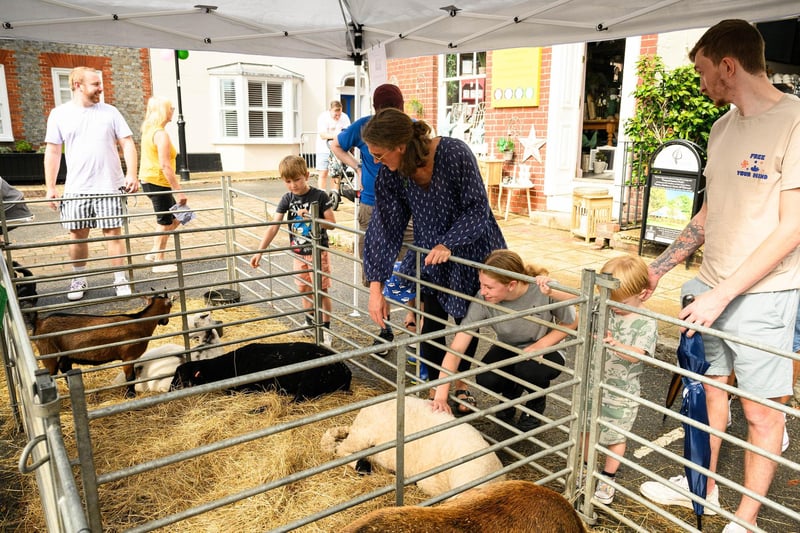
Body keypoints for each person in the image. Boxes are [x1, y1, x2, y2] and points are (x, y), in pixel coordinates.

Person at [637, 20, 800, 533]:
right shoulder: (722, 128)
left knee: (762, 415)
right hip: (711, 286)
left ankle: (744, 520)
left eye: (705, 73)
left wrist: (724, 294)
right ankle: (700, 485)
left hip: (765, 295)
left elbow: (793, 228)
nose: (702, 85)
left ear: (729, 65)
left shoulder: (795, 122)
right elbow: (710, 214)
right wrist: (658, 270)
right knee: (709, 398)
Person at [361, 107, 507, 414]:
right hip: (432, 254)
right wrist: (376, 287)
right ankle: (435, 393)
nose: (377, 161)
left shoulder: (454, 153)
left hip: (471, 243)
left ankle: (463, 387)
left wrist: (449, 243)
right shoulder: (392, 174)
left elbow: (477, 208)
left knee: (468, 321)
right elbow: (385, 228)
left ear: (400, 146)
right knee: (431, 318)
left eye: (379, 154)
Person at [430, 250, 577, 431]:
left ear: (511, 284)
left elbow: (573, 321)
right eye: (481, 285)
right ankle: (511, 392)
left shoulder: (543, 289)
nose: (483, 292)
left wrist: (540, 345)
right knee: (487, 378)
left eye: (489, 287)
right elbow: (457, 347)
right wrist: (441, 395)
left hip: (547, 348)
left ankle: (535, 402)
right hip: (509, 346)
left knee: (529, 371)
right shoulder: (483, 298)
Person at [330, 83, 415, 354]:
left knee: (411, 262)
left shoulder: (410, 128)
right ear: (376, 109)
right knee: (377, 265)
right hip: (371, 203)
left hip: (407, 207)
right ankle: (385, 327)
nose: (378, 159)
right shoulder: (364, 125)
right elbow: (336, 144)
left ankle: (413, 320)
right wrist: (355, 166)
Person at [44, 66, 139, 300]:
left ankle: (120, 278)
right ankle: (78, 278)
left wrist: (132, 174)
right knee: (77, 235)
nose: (101, 87)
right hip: (77, 187)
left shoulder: (111, 112)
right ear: (78, 85)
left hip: (109, 184)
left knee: (113, 234)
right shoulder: (59, 114)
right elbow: (53, 151)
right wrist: (51, 186)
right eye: (95, 84)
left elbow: (127, 144)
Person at [571, 255, 657, 505]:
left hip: (621, 392)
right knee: (587, 429)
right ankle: (587, 470)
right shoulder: (603, 304)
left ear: (642, 294)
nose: (614, 306)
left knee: (615, 437)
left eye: (622, 301)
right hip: (590, 384)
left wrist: (617, 345)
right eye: (609, 299)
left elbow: (639, 356)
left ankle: (609, 476)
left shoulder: (645, 321)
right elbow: (578, 305)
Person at [250, 156, 336, 346]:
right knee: (304, 289)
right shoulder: (287, 199)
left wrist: (311, 217)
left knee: (320, 291)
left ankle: (325, 329)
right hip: (298, 252)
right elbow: (274, 226)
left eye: (297, 180)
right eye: (288, 181)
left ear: (306, 175)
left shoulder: (320, 196)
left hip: (317, 252)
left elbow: (331, 224)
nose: (293, 185)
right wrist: (259, 251)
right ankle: (309, 321)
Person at [139, 96, 187, 273]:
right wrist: (179, 191)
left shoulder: (150, 130)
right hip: (158, 181)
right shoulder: (160, 134)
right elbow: (165, 166)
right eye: (170, 108)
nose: (173, 111)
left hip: (151, 181)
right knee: (165, 220)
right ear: (163, 112)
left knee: (180, 217)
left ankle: (154, 251)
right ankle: (159, 261)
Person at [315, 100, 350, 195]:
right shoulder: (323, 117)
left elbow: (347, 132)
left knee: (336, 173)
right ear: (330, 110)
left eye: (339, 114)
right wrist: (338, 136)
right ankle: (321, 195)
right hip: (323, 149)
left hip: (338, 149)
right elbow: (323, 135)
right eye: (336, 115)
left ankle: (335, 194)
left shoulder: (345, 117)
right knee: (323, 173)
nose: (338, 117)